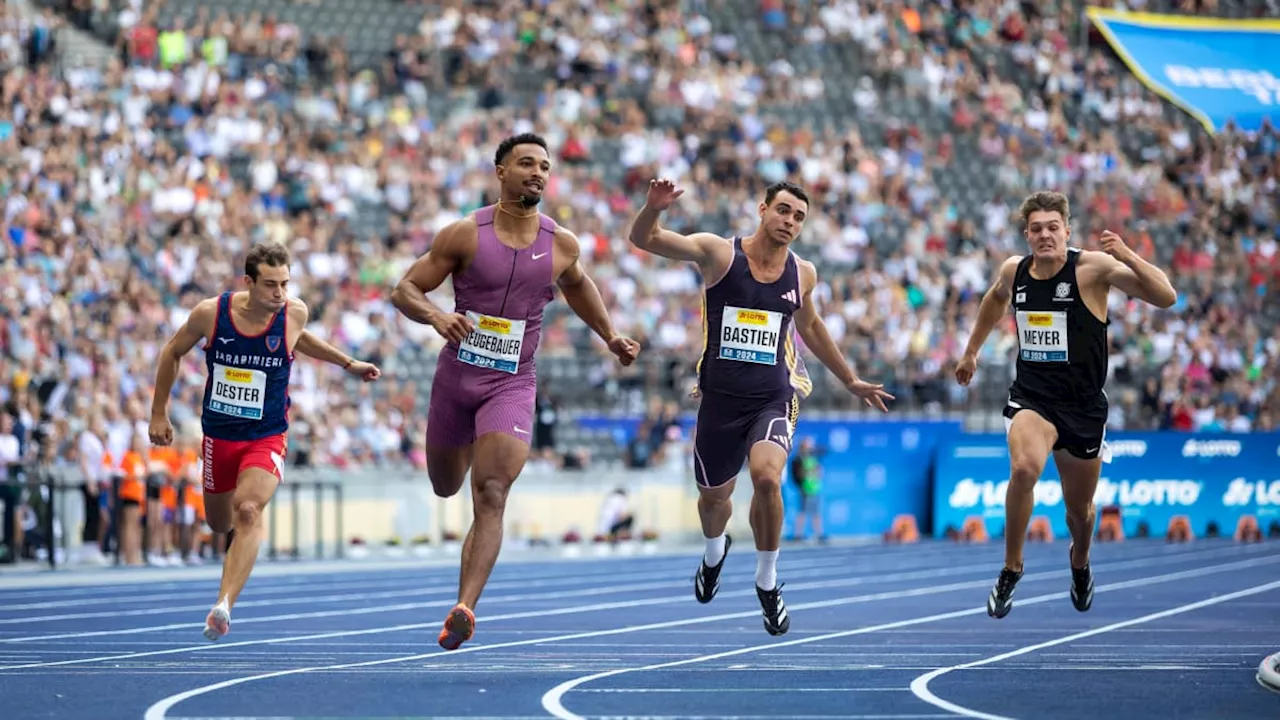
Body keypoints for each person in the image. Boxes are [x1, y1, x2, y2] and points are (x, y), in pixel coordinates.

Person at [390, 133, 641, 651]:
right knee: (444, 484)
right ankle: (455, 471)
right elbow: (404, 289)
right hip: (456, 378)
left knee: (492, 492)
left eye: (544, 166)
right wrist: (438, 316)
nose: (538, 172)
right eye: (526, 163)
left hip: (512, 381)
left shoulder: (561, 244)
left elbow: (579, 287)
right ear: (500, 171)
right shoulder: (464, 234)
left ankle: (464, 607)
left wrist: (610, 335)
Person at [628, 178, 894, 636]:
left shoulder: (802, 273)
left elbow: (810, 326)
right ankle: (714, 554)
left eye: (799, 217)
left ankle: (767, 581)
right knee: (714, 501)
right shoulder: (720, 254)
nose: (790, 222)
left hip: (774, 396)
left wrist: (849, 378)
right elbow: (644, 239)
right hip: (719, 401)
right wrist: (653, 208)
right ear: (762, 209)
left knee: (768, 477)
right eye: (783, 211)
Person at [954, 191, 1176, 619]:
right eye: (1036, 229)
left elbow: (1166, 297)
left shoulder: (1092, 269)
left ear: (1067, 231)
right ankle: (1011, 568)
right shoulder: (1014, 271)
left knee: (1081, 513)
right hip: (1033, 399)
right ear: (1027, 235)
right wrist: (971, 351)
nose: (1045, 235)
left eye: (1053, 227)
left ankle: (1080, 563)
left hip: (1084, 407)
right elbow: (994, 299)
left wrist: (1127, 254)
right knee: (1023, 469)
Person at [149, 242, 382, 641]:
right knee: (220, 522)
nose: (280, 293)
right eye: (271, 285)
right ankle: (226, 576)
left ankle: (223, 605)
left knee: (249, 510)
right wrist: (158, 411)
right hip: (220, 435)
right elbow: (172, 351)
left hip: (266, 435)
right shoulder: (212, 313)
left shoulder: (293, 312)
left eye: (285, 284)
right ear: (249, 283)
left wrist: (348, 363)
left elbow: (298, 338)